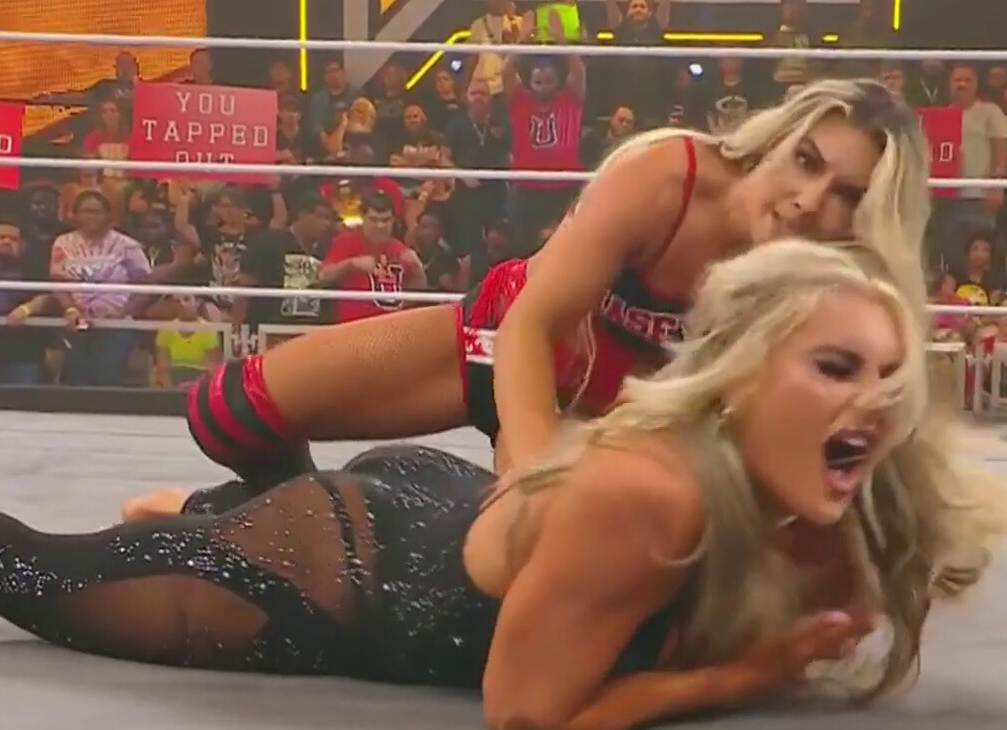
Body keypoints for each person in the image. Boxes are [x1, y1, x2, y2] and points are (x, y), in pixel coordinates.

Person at [0, 241, 1007, 730]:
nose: (872, 403)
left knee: (151, 541)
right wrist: (742, 674)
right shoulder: (647, 495)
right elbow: (528, 710)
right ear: (739, 380)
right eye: (834, 367)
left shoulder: (835, 486)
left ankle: (176, 525)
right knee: (30, 573)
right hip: (337, 576)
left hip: (438, 511)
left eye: (889, 376)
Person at [180, 79, 931, 514]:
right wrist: (530, 472)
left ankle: (293, 524)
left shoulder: (833, 280)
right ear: (779, 137)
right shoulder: (667, 178)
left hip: (619, 421)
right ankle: (284, 510)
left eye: (847, 194)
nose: (808, 200)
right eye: (807, 160)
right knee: (225, 414)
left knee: (561, 565)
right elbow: (531, 325)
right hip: (500, 343)